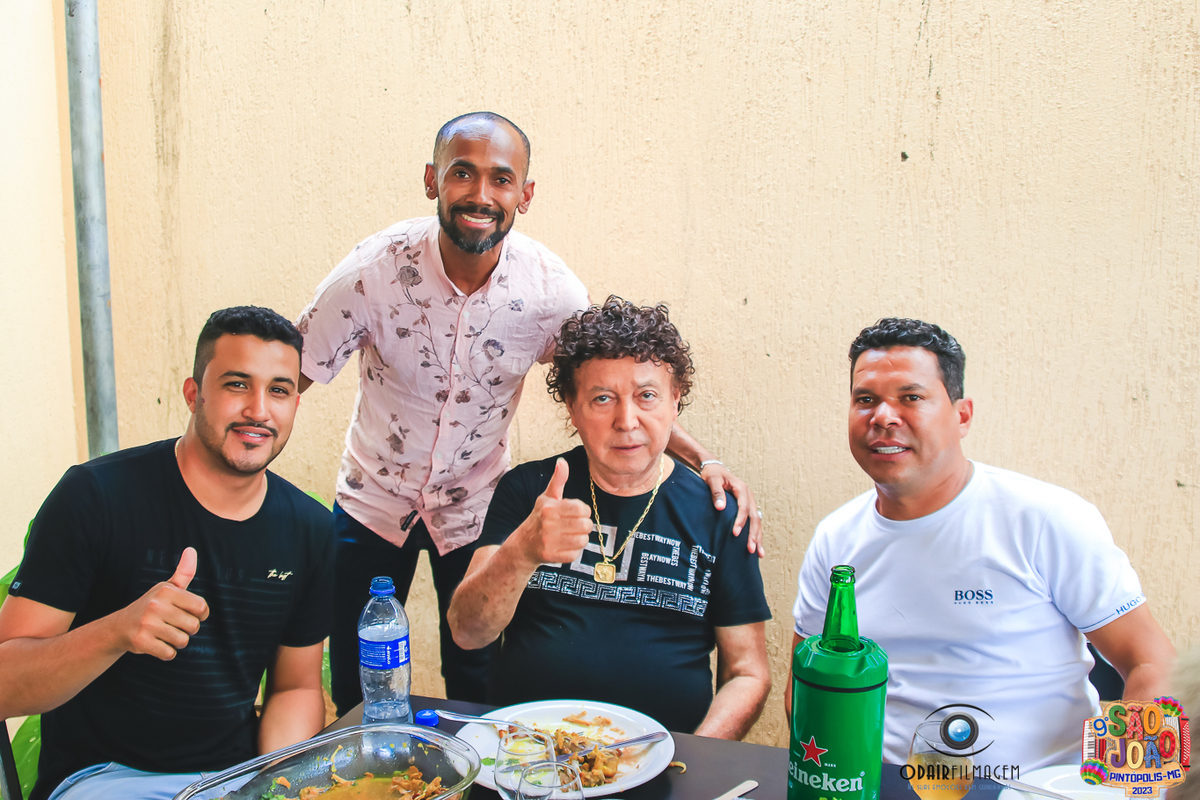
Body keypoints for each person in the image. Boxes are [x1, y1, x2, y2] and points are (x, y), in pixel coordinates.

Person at [296, 112, 763, 715]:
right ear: (432, 179)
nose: (481, 194)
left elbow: (613, 382)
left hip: (473, 505)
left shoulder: (550, 292)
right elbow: (290, 375)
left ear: (525, 193)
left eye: (501, 178)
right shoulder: (371, 273)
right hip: (373, 501)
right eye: (462, 173)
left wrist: (706, 461)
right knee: (357, 684)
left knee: (477, 684)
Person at [787, 317, 1176, 770]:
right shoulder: (835, 538)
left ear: (962, 415)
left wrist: (1130, 787)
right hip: (880, 784)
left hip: (1034, 789)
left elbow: (1152, 664)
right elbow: (806, 684)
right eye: (865, 400)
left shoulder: (1044, 520)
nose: (883, 417)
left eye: (911, 398)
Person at [0, 307, 334, 800]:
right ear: (194, 394)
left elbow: (295, 688)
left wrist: (276, 786)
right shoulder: (95, 497)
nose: (259, 410)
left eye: (279, 390)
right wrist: (117, 632)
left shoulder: (310, 528)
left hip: (231, 783)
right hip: (102, 780)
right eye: (237, 384)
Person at [447, 297, 772, 738]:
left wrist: (698, 758)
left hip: (667, 761)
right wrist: (522, 552)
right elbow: (467, 632)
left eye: (647, 396)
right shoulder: (528, 490)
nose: (626, 420)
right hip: (529, 754)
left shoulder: (719, 513)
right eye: (602, 399)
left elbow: (747, 673)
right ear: (572, 407)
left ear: (675, 401)